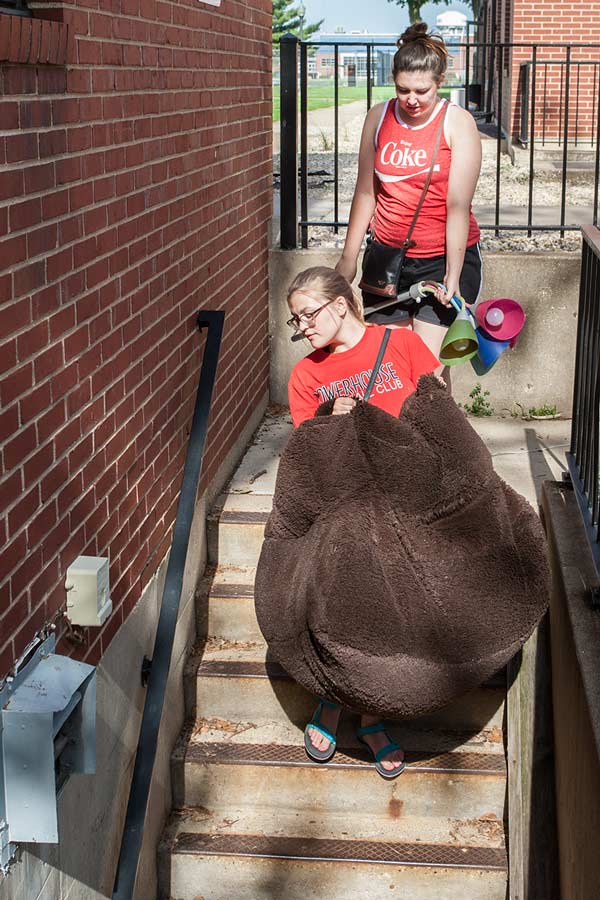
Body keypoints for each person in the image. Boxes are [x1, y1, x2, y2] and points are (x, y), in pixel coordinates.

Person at [286, 265, 440, 776]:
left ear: (338, 304)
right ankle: (358, 708)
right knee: (352, 575)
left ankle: (348, 705)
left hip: (405, 498)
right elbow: (309, 458)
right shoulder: (307, 375)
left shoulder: (403, 345)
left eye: (308, 315)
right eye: (296, 321)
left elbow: (441, 418)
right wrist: (331, 417)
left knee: (390, 587)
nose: (304, 328)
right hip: (346, 505)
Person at [336, 20, 482, 365]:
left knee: (426, 372)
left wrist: (454, 273)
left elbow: (458, 206)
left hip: (439, 258)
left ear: (439, 84)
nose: (412, 100)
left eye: (421, 91)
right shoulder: (379, 117)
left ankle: (439, 421)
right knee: (391, 368)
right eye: (403, 90)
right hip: (386, 261)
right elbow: (365, 192)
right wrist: (348, 258)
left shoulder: (457, 123)